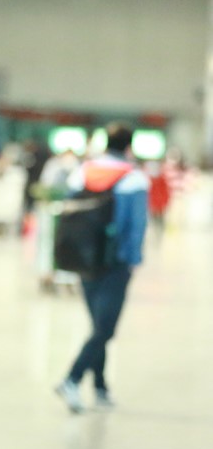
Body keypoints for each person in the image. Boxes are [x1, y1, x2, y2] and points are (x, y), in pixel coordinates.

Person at [55, 123, 149, 413]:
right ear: (129, 147)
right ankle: (72, 379)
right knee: (105, 329)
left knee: (98, 325)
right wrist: (133, 259)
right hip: (114, 260)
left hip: (83, 257)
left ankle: (100, 387)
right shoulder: (133, 179)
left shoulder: (82, 172)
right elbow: (136, 225)